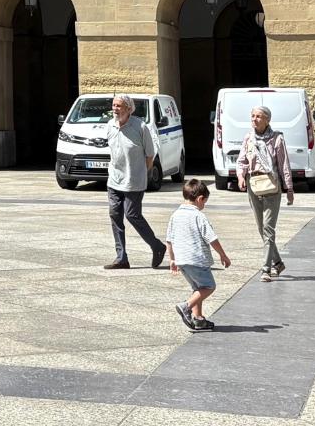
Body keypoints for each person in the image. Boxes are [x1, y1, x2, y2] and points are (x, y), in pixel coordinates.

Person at [102, 94, 166, 271]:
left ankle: (157, 246)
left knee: (132, 215)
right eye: (114, 105)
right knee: (115, 215)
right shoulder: (109, 125)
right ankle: (121, 258)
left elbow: (150, 155)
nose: (115, 109)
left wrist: (142, 174)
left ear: (129, 109)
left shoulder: (141, 127)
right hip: (114, 179)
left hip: (134, 180)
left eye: (119, 106)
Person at [236, 105, 295, 281]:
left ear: (267, 119)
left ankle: (266, 269)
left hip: (271, 185)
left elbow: (284, 165)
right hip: (253, 184)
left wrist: (289, 188)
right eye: (252, 116)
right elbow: (242, 161)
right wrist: (240, 176)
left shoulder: (276, 139)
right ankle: (278, 262)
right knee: (262, 229)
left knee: (268, 228)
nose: (254, 119)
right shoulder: (249, 138)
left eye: (259, 116)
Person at [166, 179, 231, 331]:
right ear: (200, 199)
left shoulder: (175, 215)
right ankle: (186, 306)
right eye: (204, 202)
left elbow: (169, 240)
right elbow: (212, 238)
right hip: (197, 259)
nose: (204, 206)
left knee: (198, 288)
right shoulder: (198, 216)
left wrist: (172, 259)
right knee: (208, 286)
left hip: (182, 260)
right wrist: (223, 255)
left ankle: (199, 319)